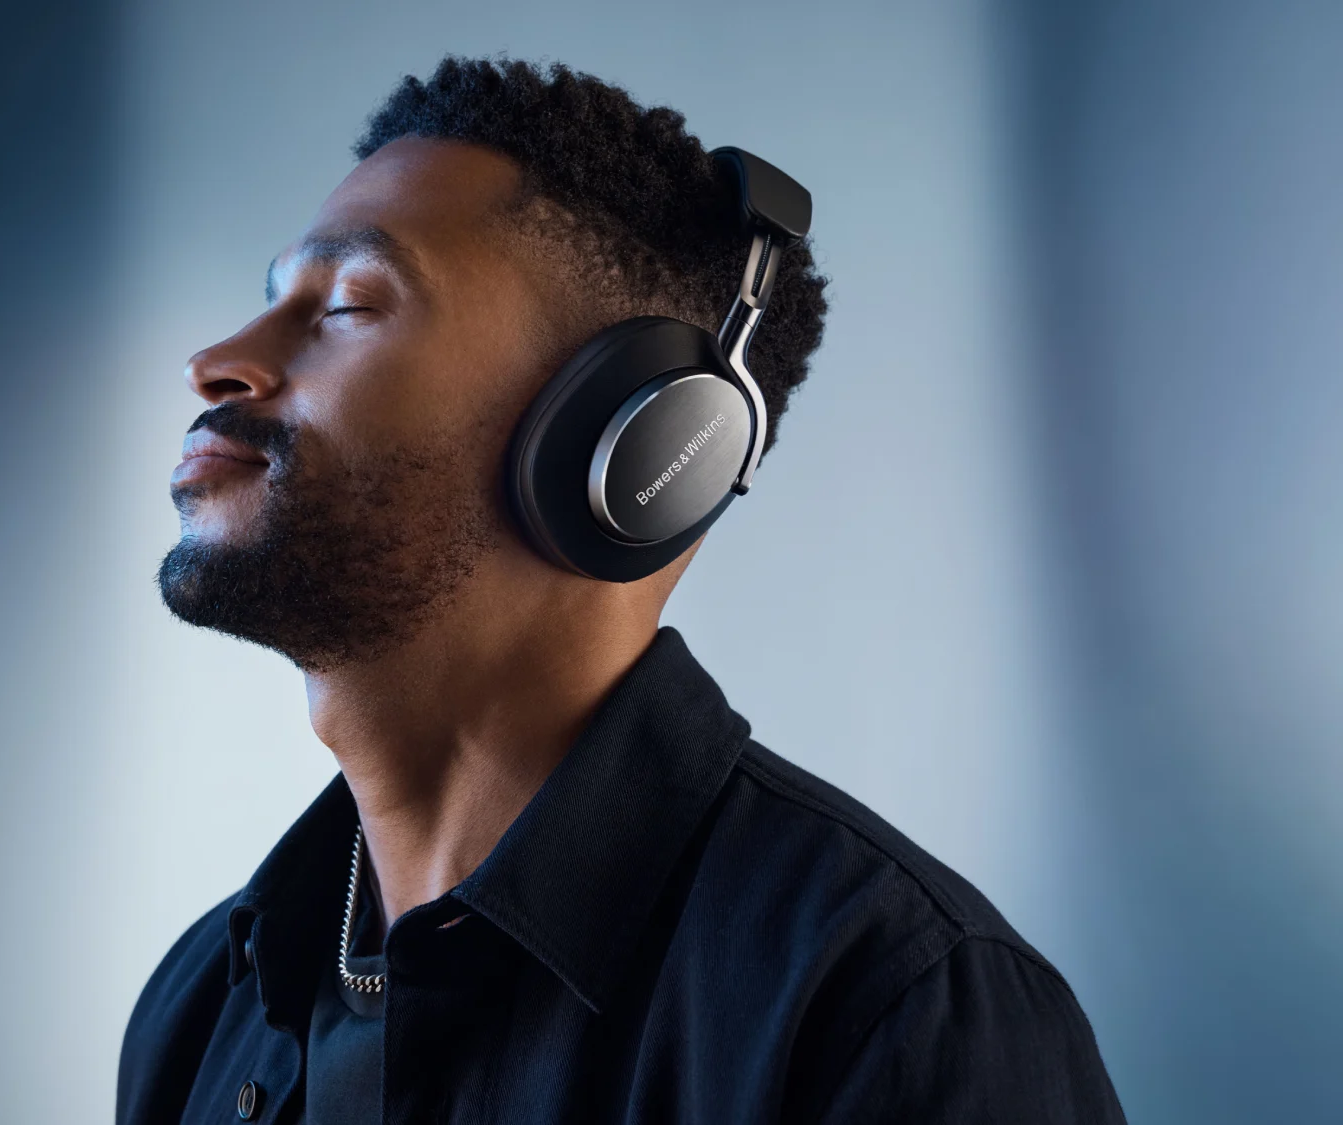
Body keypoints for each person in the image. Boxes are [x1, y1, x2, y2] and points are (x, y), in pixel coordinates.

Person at [116, 56, 1125, 1125]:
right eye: (271, 299)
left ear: (636, 447)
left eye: (351, 304)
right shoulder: (200, 1009)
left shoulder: (887, 1003)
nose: (217, 362)